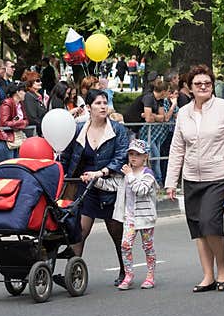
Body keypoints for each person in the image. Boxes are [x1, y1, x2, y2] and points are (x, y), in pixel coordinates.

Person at [165, 65, 224, 292]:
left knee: (210, 222)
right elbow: (177, 148)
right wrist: (171, 181)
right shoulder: (183, 113)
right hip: (191, 177)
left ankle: (222, 267)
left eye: (207, 83)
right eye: (198, 84)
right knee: (198, 227)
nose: (203, 87)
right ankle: (208, 274)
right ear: (189, 88)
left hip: (219, 174)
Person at [58, 89, 130, 286]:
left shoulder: (117, 130)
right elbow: (67, 155)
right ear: (88, 107)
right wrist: (60, 176)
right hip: (85, 186)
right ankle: (73, 273)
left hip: (109, 186)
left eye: (105, 103)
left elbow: (121, 156)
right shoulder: (78, 130)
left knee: (116, 231)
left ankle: (125, 270)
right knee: (80, 230)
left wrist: (103, 172)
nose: (103, 106)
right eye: (98, 103)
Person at [109, 138, 158, 290]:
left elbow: (141, 190)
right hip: (130, 218)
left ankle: (150, 276)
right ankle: (129, 274)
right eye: (131, 154)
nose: (133, 157)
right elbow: (113, 185)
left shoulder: (148, 174)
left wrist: (130, 175)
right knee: (125, 245)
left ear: (145, 157)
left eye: (137, 154)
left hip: (145, 218)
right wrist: (93, 179)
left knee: (148, 246)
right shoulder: (125, 174)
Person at [0, 82, 28, 163]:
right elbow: (4, 123)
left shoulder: (20, 104)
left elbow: (26, 120)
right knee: (8, 166)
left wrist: (20, 123)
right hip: (5, 140)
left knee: (16, 165)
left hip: (15, 139)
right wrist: (21, 123)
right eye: (23, 90)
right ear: (17, 92)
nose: (25, 93)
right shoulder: (7, 103)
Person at [22, 71, 47, 135]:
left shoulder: (37, 95)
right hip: (34, 132)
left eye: (40, 80)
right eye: (38, 81)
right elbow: (32, 118)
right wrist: (45, 126)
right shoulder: (28, 96)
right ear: (30, 82)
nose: (40, 82)